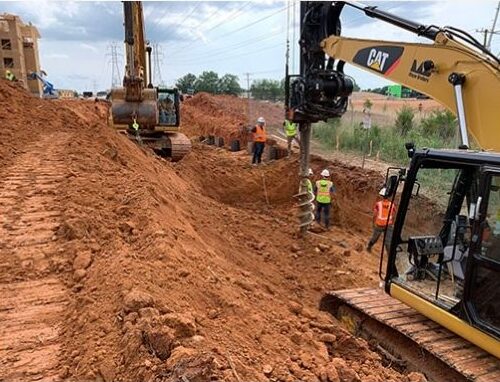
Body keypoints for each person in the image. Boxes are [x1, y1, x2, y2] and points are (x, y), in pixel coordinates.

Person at [367, 187, 397, 253]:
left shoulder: (378, 204)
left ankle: (369, 247)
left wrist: (373, 223)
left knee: (374, 238)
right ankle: (390, 257)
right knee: (388, 242)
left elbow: (375, 215)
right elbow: (394, 215)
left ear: (382, 196)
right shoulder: (392, 205)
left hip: (379, 224)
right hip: (389, 225)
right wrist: (392, 223)